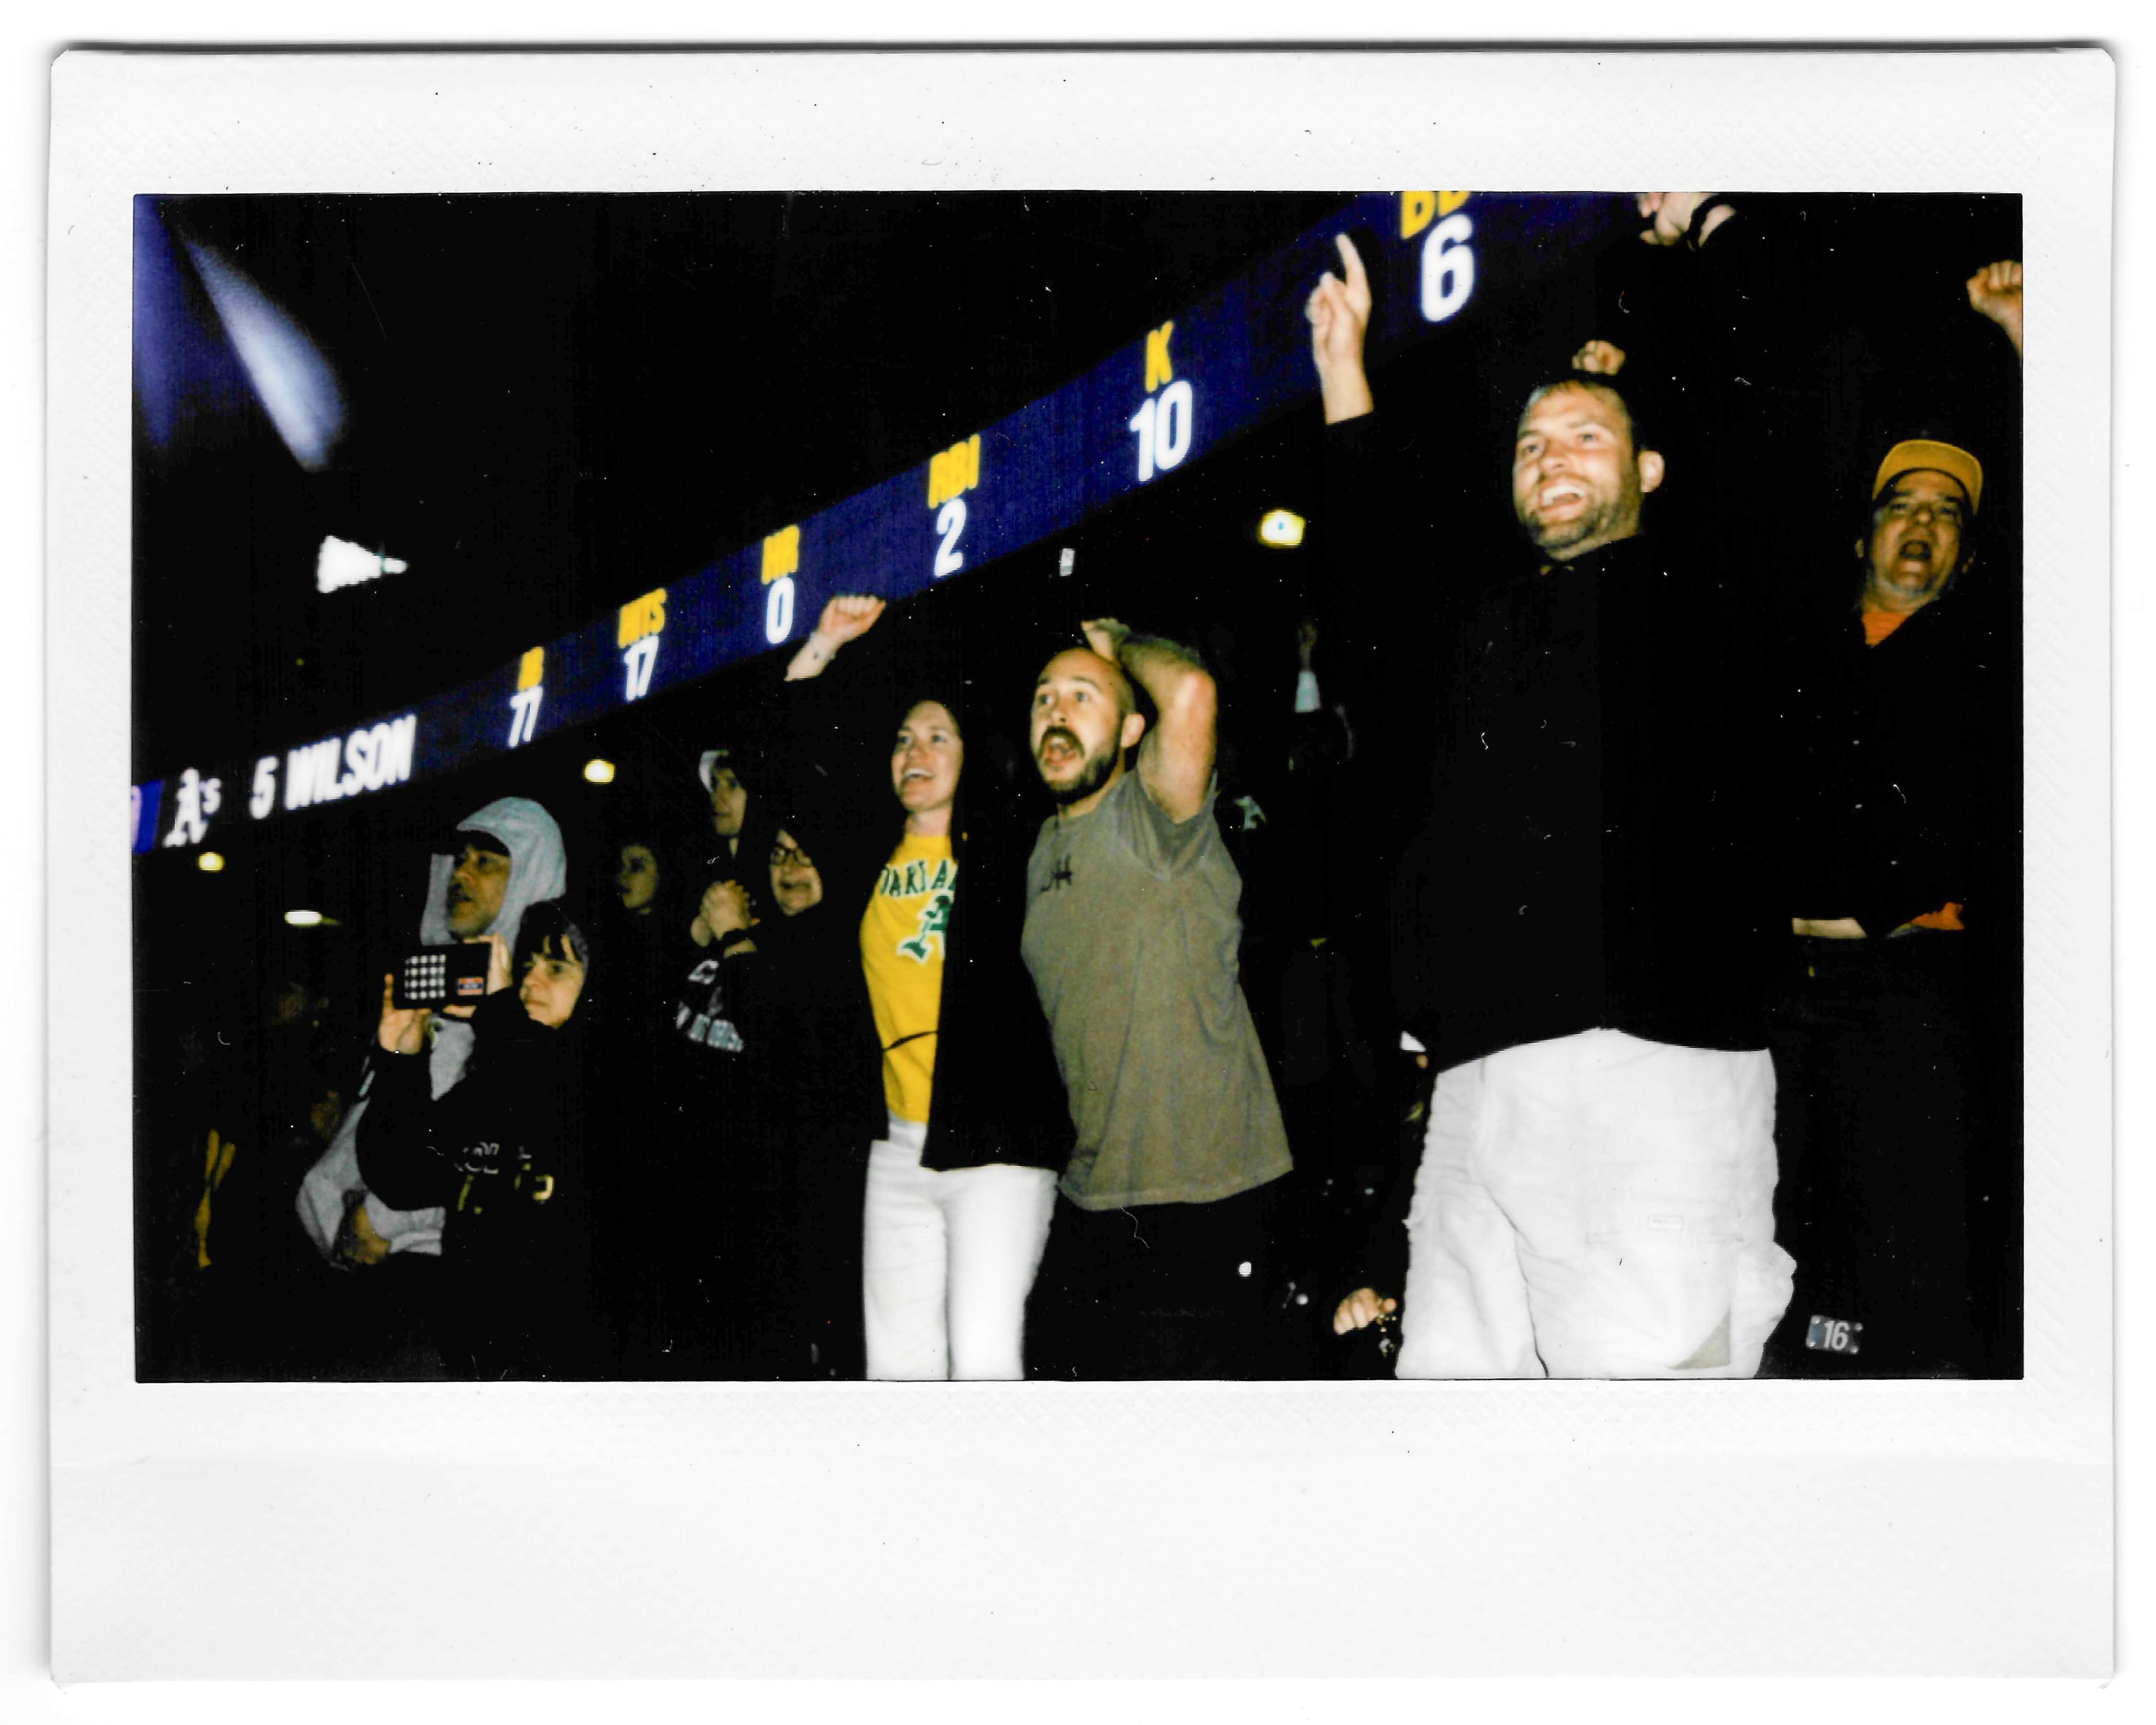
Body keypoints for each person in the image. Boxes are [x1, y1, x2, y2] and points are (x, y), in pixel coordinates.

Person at [1308, 232, 1793, 1379]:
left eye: (1589, 435)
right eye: (1531, 443)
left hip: (1642, 1068)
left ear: (1653, 471)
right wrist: (1344, 372)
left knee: (1641, 1417)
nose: (1552, 457)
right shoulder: (1491, 626)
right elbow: (1374, 609)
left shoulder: (1699, 604)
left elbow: (1766, 431)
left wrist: (1709, 234)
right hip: (1483, 1080)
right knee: (1455, 1414)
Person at [1764, 267, 2022, 1377]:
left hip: (1917, 996)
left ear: (1966, 551)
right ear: (1864, 534)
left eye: (1945, 515)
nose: (1920, 526)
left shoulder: (1982, 652)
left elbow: (2083, 503)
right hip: (1785, 997)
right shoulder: (1806, 656)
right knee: (1792, 1266)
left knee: (1914, 1273)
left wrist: (2021, 345)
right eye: (1901, 507)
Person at [775, 595, 1070, 1381]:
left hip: (996, 1148)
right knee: (896, 1375)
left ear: (974, 754)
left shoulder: (1005, 851)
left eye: (940, 737)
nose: (918, 750)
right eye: (905, 738)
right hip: (898, 1147)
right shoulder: (869, 854)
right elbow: (799, 768)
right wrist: (824, 644)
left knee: (983, 1364)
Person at [1020, 617, 1295, 1379]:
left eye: (1084, 696)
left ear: (1134, 728)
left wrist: (1119, 645)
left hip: (1206, 1194)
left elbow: (1193, 692)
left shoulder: (1155, 817)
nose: (1057, 712)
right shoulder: (1042, 849)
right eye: (1044, 699)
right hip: (1095, 1193)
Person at [296, 797, 568, 1269]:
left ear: (530, 873)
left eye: (486, 862)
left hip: (425, 1283)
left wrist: (379, 1222)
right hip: (344, 1259)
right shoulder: (438, 988)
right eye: (459, 860)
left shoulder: (536, 1010)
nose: (461, 875)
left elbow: (486, 1148)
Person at [355, 900, 609, 1378]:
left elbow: (554, 1109)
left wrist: (499, 1015)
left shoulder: (614, 1083)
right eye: (527, 965)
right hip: (477, 1367)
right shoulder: (500, 1078)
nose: (530, 981)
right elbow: (400, 1176)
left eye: (556, 968)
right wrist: (402, 1056)